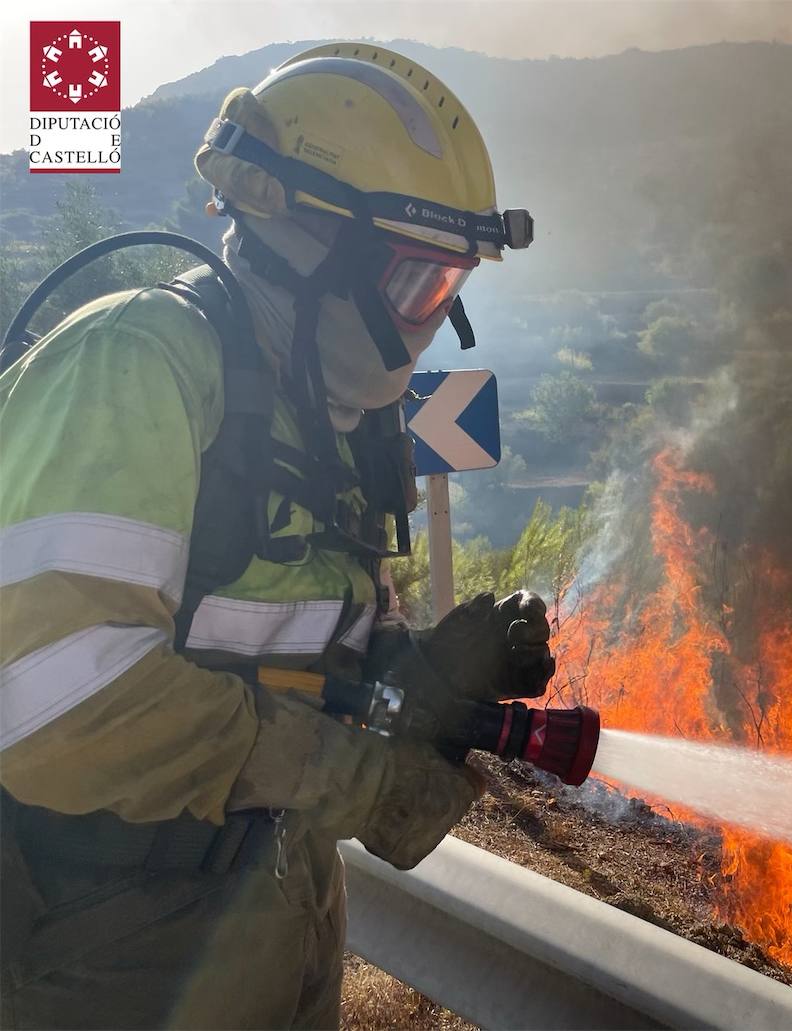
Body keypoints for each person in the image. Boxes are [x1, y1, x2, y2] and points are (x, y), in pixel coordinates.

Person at [0, 44, 551, 1028]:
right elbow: (52, 699)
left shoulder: (326, 409)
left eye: (452, 284)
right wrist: (358, 778)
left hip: (276, 904)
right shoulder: (135, 364)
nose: (433, 321)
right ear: (311, 246)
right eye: (416, 281)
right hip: (104, 944)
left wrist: (417, 671)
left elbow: (294, 647)